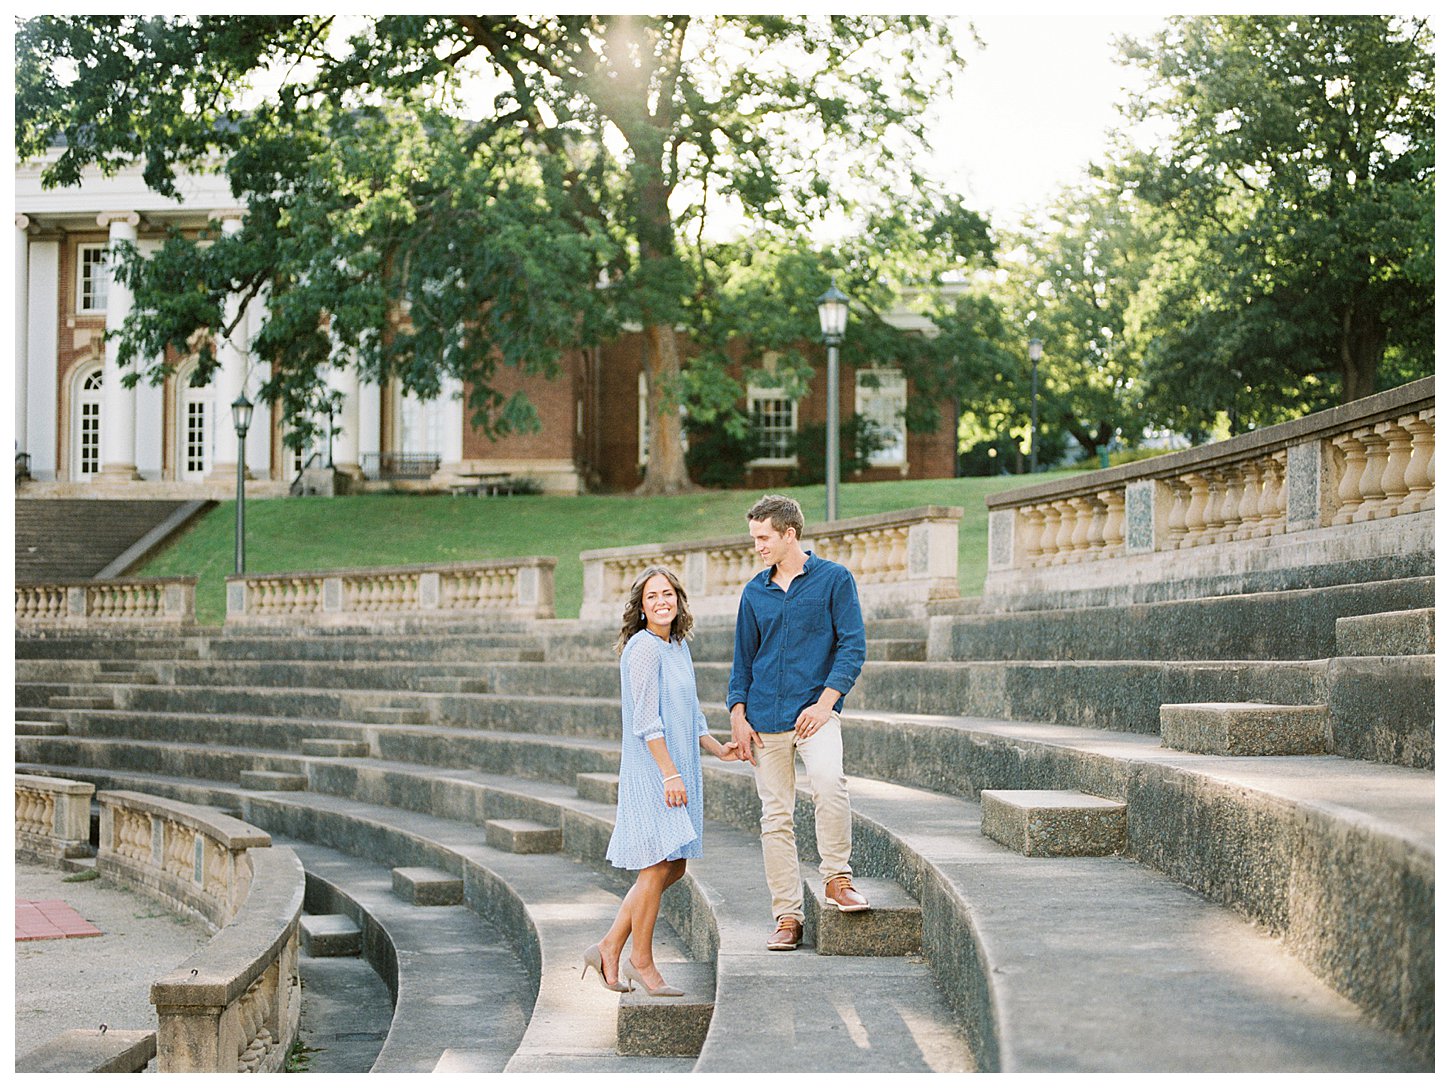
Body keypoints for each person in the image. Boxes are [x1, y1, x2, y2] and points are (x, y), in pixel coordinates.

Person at [583, 565, 738, 997]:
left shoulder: (676, 646)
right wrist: (668, 773)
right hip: (655, 770)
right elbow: (646, 721)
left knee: (674, 865)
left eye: (667, 593)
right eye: (652, 597)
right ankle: (641, 961)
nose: (662, 602)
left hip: (680, 764)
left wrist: (717, 747)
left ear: (678, 599)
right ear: (641, 607)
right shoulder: (644, 649)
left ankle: (610, 946)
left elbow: (690, 712)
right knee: (657, 865)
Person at [727, 494, 870, 952]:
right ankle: (788, 916)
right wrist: (737, 718)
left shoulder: (834, 580)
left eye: (763, 538)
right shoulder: (754, 592)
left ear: (790, 534)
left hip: (815, 713)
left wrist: (826, 703)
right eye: (754, 538)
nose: (757, 547)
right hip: (764, 720)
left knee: (829, 783)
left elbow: (852, 647)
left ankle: (837, 879)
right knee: (775, 818)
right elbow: (742, 664)